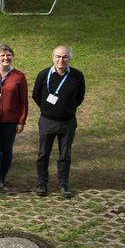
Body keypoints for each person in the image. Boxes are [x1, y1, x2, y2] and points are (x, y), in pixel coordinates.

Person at [32, 46, 85, 198]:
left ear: (69, 58)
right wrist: (48, 109)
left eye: (65, 57)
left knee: (65, 155)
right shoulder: (43, 75)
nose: (61, 60)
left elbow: (79, 97)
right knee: (43, 153)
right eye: (58, 57)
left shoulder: (77, 76)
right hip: (47, 121)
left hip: (67, 122)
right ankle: (42, 182)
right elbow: (36, 95)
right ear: (53, 57)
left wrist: (66, 109)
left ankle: (63, 183)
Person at [0, 45, 28, 189]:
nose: (5, 58)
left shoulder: (19, 76)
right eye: (2, 55)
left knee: (6, 149)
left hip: (10, 119)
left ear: (12, 57)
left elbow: (23, 101)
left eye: (8, 55)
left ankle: (2, 177)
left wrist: (21, 121)